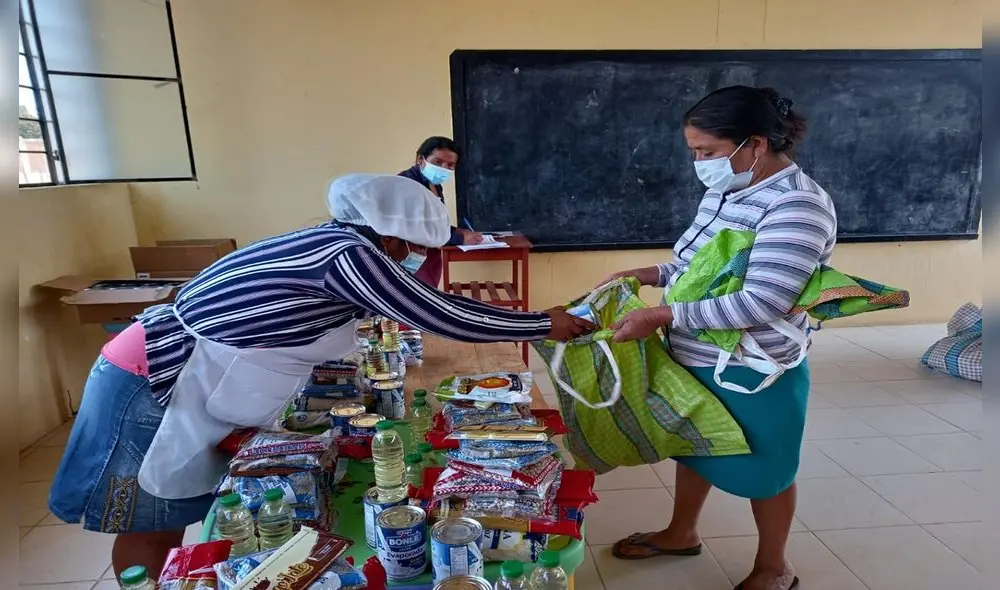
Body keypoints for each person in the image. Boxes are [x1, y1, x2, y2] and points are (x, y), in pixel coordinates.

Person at [47, 174, 593, 580]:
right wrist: (544, 322)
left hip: (187, 378)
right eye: (418, 248)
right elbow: (437, 312)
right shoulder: (350, 255)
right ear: (395, 239)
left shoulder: (329, 242)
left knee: (174, 509)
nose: (417, 259)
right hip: (154, 379)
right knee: (150, 522)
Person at [606, 86, 836, 590]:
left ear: (754, 143)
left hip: (754, 368)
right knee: (697, 445)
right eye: (694, 152)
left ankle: (774, 567)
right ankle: (681, 531)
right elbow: (695, 267)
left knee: (766, 469)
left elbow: (762, 302)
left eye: (707, 152)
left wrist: (661, 316)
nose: (700, 163)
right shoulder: (728, 190)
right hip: (697, 356)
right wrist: (644, 274)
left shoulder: (798, 206)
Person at [398, 136, 484, 288]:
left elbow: (433, 221)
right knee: (416, 300)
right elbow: (419, 227)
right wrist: (459, 238)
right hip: (408, 255)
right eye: (437, 162)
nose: (444, 168)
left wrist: (456, 230)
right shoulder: (406, 184)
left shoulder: (434, 184)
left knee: (427, 298)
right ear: (420, 159)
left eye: (450, 165)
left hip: (428, 256)